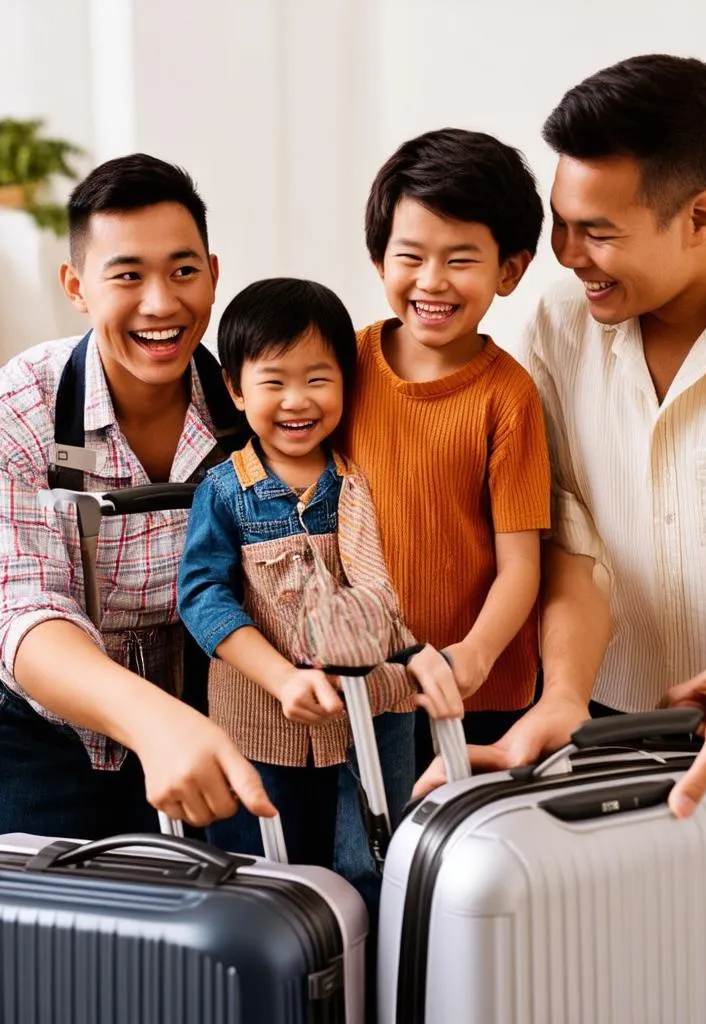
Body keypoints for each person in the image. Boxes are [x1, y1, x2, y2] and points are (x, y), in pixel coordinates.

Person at [417, 55, 706, 1024]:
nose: (566, 255)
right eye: (559, 223)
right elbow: (574, 537)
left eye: (598, 232)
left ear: (701, 216)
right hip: (623, 719)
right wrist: (559, 699)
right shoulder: (555, 325)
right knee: (648, 980)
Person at [0, 153, 275, 850]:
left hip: (211, 699)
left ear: (213, 276)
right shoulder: (11, 411)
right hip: (39, 720)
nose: (160, 303)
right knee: (10, 942)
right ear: (76, 285)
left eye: (183, 271)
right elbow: (13, 607)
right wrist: (150, 718)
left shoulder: (261, 410)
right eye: (128, 275)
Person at [176, 277, 460, 888]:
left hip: (372, 712)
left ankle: (374, 977)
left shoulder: (359, 482)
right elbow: (202, 597)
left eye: (317, 379)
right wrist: (280, 677)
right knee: (267, 872)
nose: (297, 401)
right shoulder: (226, 491)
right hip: (263, 718)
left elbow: (387, 585)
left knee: (376, 865)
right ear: (235, 388)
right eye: (273, 382)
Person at [347, 127, 551, 777]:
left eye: (461, 259)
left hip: (478, 693)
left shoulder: (509, 396)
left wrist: (478, 654)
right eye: (411, 256)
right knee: (374, 857)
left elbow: (521, 564)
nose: (431, 281)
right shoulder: (341, 365)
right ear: (380, 260)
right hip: (365, 682)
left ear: (510, 271)